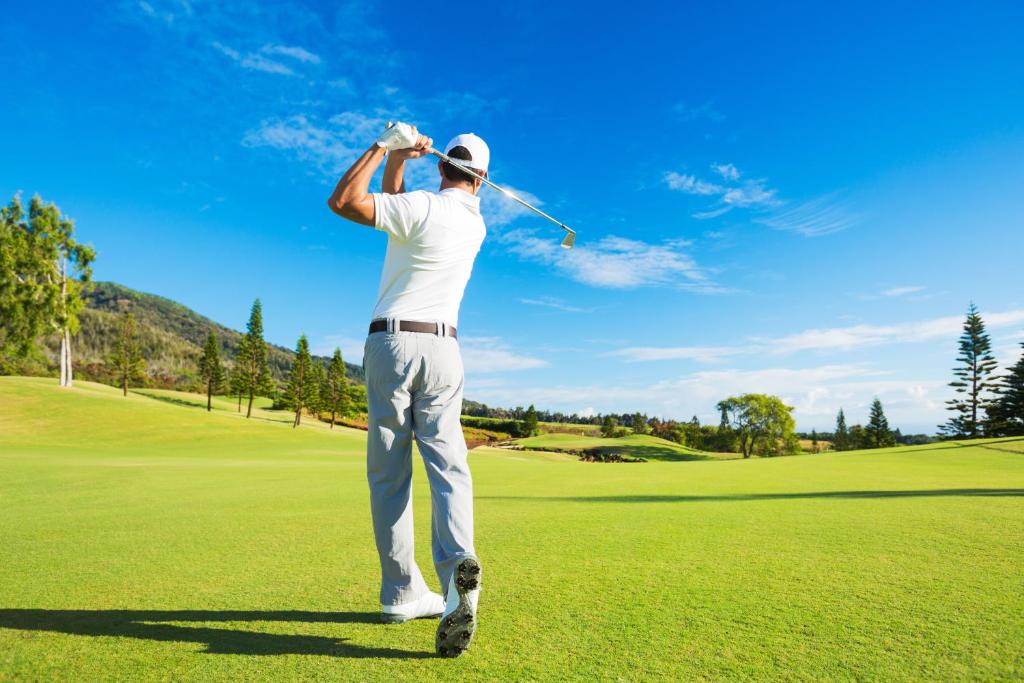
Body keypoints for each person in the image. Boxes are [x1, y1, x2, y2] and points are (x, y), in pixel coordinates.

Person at [326, 122, 486, 657]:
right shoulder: (472, 223)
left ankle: (399, 590)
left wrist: (385, 146)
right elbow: (400, 211)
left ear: (441, 165)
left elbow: (345, 202)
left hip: (391, 343)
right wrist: (402, 163)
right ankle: (457, 566)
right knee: (449, 466)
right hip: (444, 350)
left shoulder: (419, 207)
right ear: (481, 180)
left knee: (389, 475)